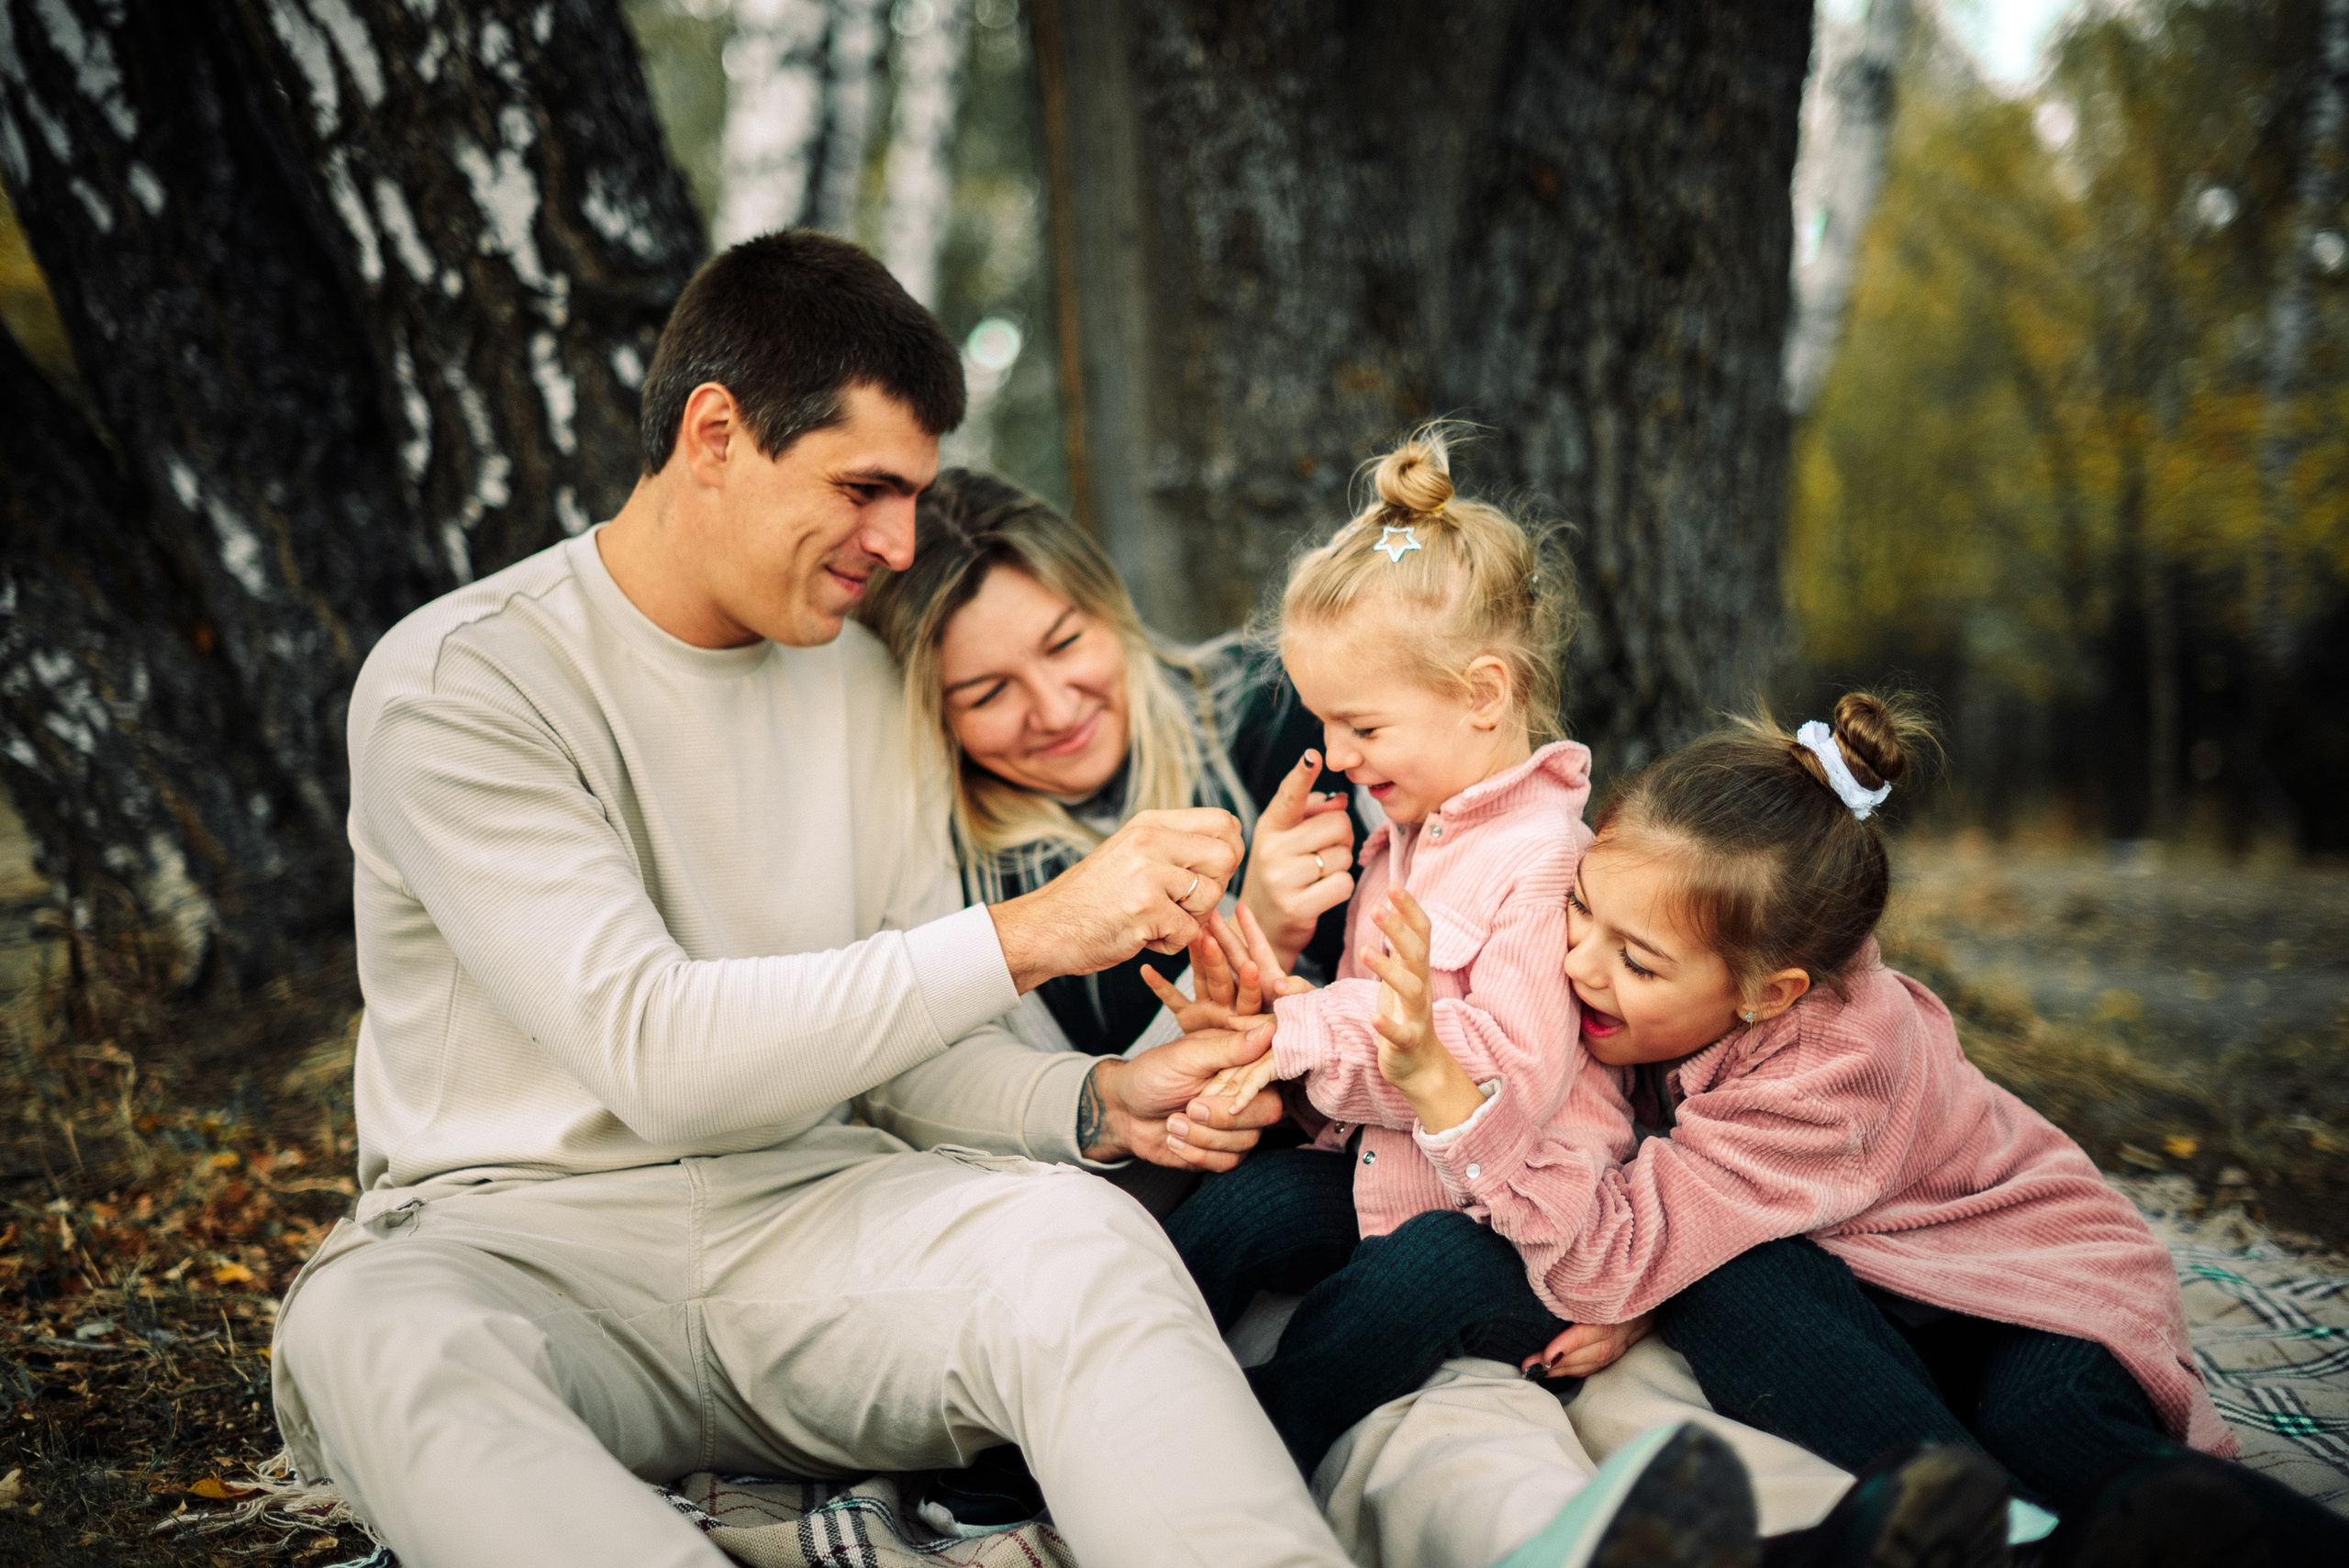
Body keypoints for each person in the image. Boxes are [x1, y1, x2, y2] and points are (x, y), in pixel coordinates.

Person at [265, 230, 1777, 1568]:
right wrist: (1040, 932)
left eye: (913, 496)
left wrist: (1102, 1099)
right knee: (368, 1331)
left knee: (1080, 1241)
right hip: (524, 1244)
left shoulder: (861, 683)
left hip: (820, 1226)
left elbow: (909, 1061)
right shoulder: (464, 683)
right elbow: (656, 1051)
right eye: (864, 488)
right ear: (714, 432)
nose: (896, 545)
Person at [1364, 692, 2349, 1564]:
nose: (1578, 961)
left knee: (2054, 1427)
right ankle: (1988, 1517)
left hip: (2039, 1287)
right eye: (1580, 907)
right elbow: (1665, 1226)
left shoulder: (1835, 1066)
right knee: (1730, 1279)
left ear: (1770, 991)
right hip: (1892, 1293)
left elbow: (1611, 1256)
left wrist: (1462, 1111)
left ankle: (2068, 1533)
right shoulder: (1654, 995)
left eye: (1637, 958)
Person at [1152, 428, 1638, 1478]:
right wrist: (1273, 1038)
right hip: (1392, 1172)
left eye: (1362, 726)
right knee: (1244, 1210)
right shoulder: (1400, 838)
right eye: (1325, 724)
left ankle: (1233, 1461)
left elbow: (1505, 1070)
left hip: (1514, 1221)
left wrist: (1303, 1030)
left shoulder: (1546, 859)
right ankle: (1105, 1393)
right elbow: (1356, 1043)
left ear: (1483, 694)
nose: (1335, 754)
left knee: (1405, 1286)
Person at [856, 467, 1359, 1063]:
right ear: (932, 716)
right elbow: (1116, 1101)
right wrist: (1261, 932)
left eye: (1064, 643)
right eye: (988, 694)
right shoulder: (947, 881)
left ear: (1111, 606)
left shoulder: (1278, 703)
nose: (1056, 711)